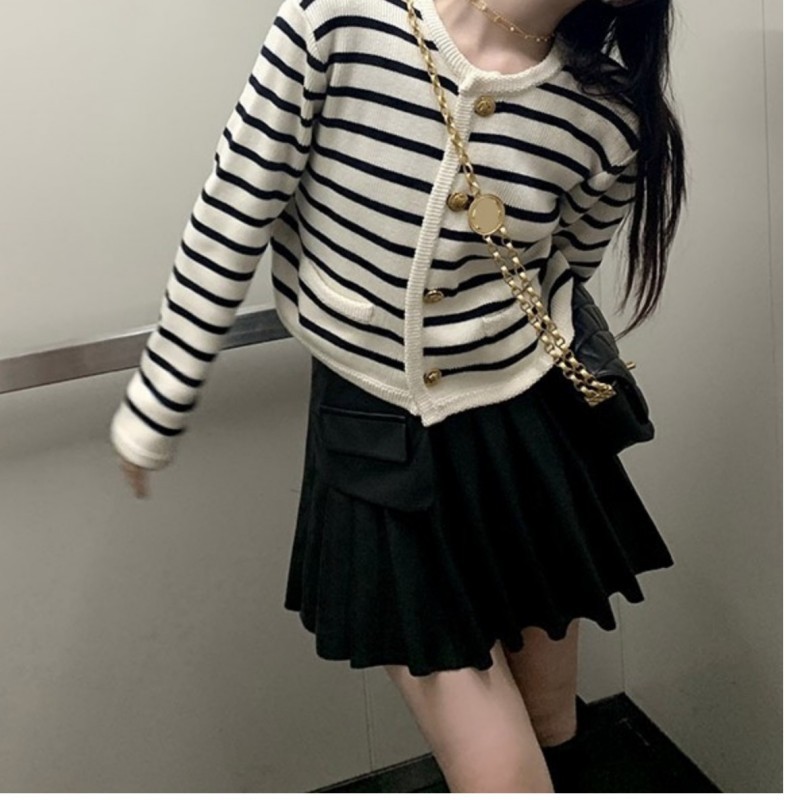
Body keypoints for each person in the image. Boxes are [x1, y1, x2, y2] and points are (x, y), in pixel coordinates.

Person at [110, 0, 685, 791]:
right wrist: (161, 394)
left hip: (528, 435)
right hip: (377, 433)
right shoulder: (338, 21)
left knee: (550, 722)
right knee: (501, 761)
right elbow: (233, 213)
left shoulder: (609, 114)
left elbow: (563, 271)